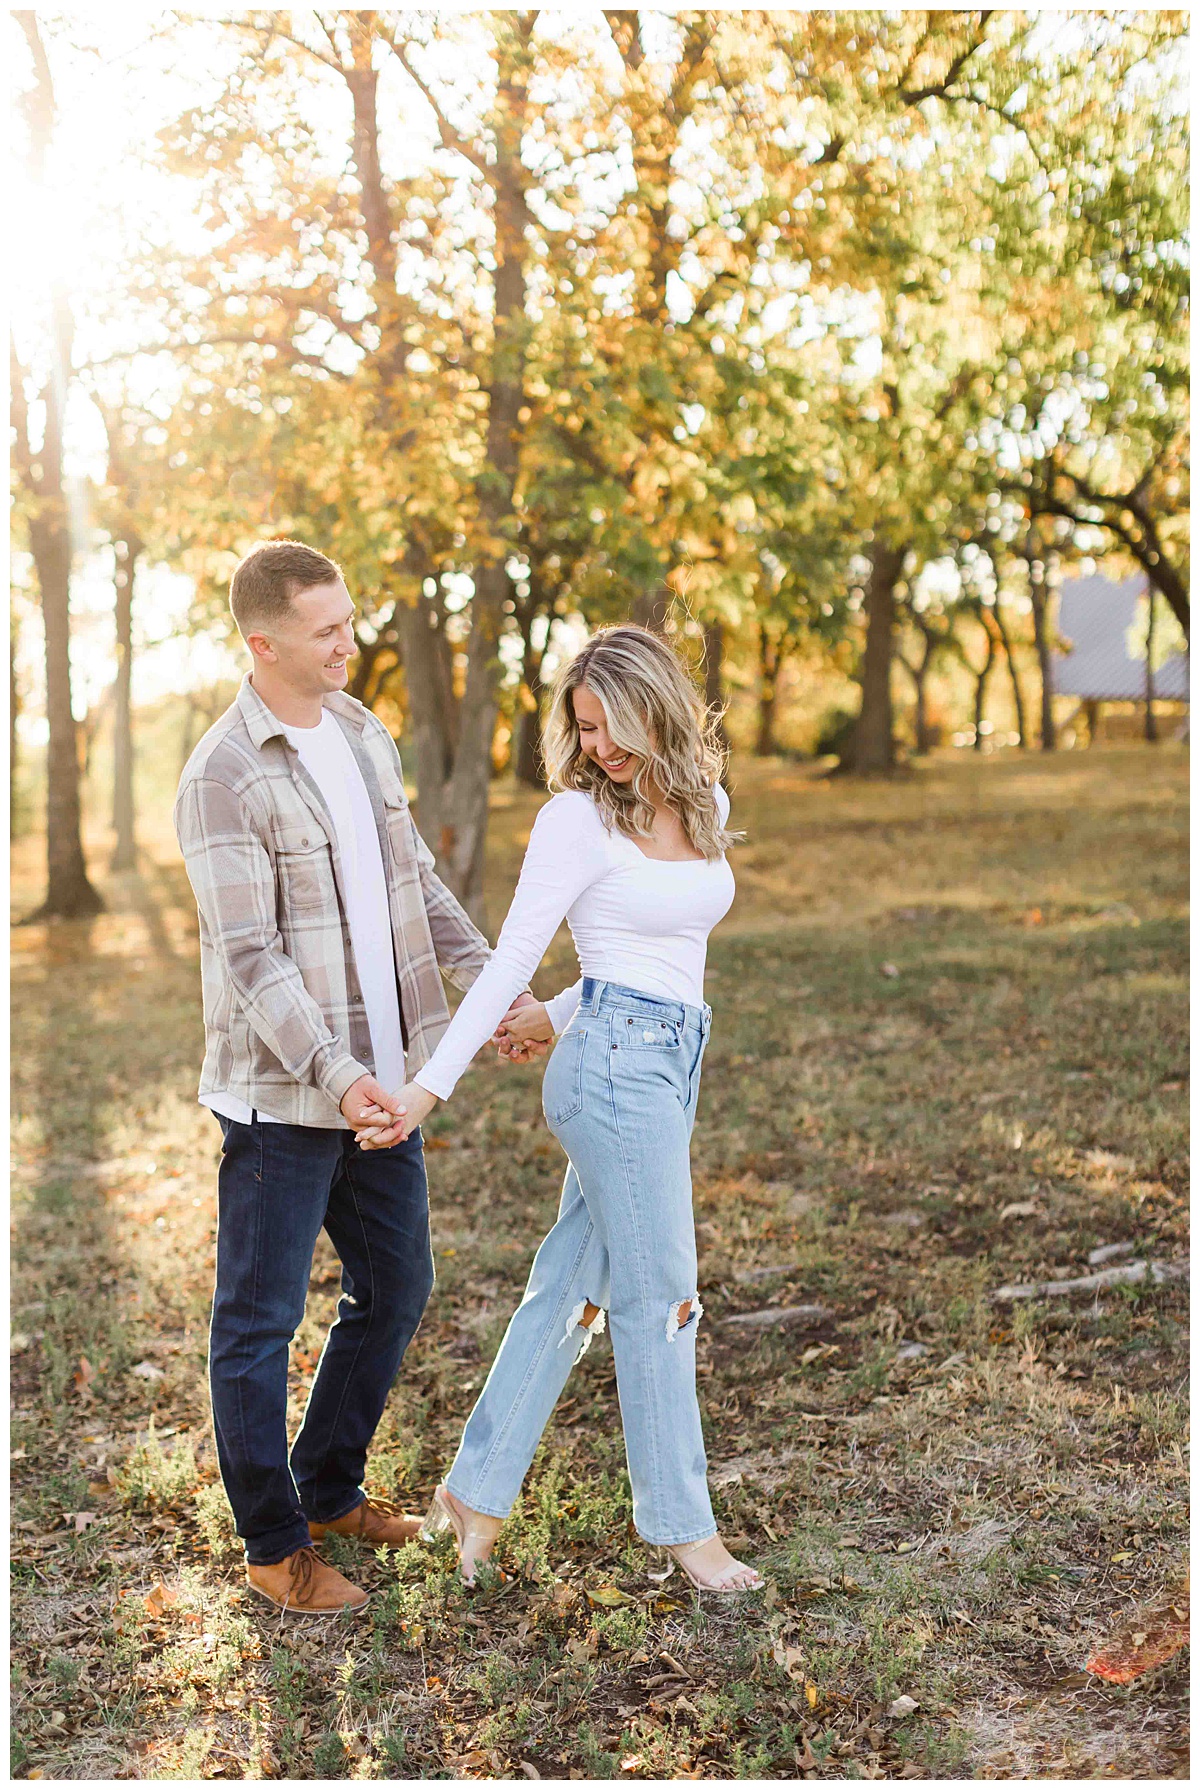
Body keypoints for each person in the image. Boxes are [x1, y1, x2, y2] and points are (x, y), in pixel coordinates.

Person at [354, 624, 765, 1594]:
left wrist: (563, 1006)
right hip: (613, 1072)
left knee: (570, 1287)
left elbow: (652, 959)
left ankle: (475, 1489)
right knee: (661, 1289)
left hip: (663, 1051)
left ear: (657, 707)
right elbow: (510, 958)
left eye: (612, 725)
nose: (598, 748)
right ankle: (681, 1525)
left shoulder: (704, 800)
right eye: (581, 729)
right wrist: (426, 1087)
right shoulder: (576, 818)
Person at [173, 539, 541, 1615]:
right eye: (327, 629)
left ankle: (328, 1488)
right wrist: (335, 1075)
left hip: (386, 1081)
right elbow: (250, 959)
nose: (349, 641)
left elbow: (415, 881)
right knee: (257, 1319)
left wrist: (488, 991)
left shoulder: (361, 729)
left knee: (397, 1287)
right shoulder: (222, 774)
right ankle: (274, 1545)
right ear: (264, 642)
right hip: (289, 1098)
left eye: (348, 620)